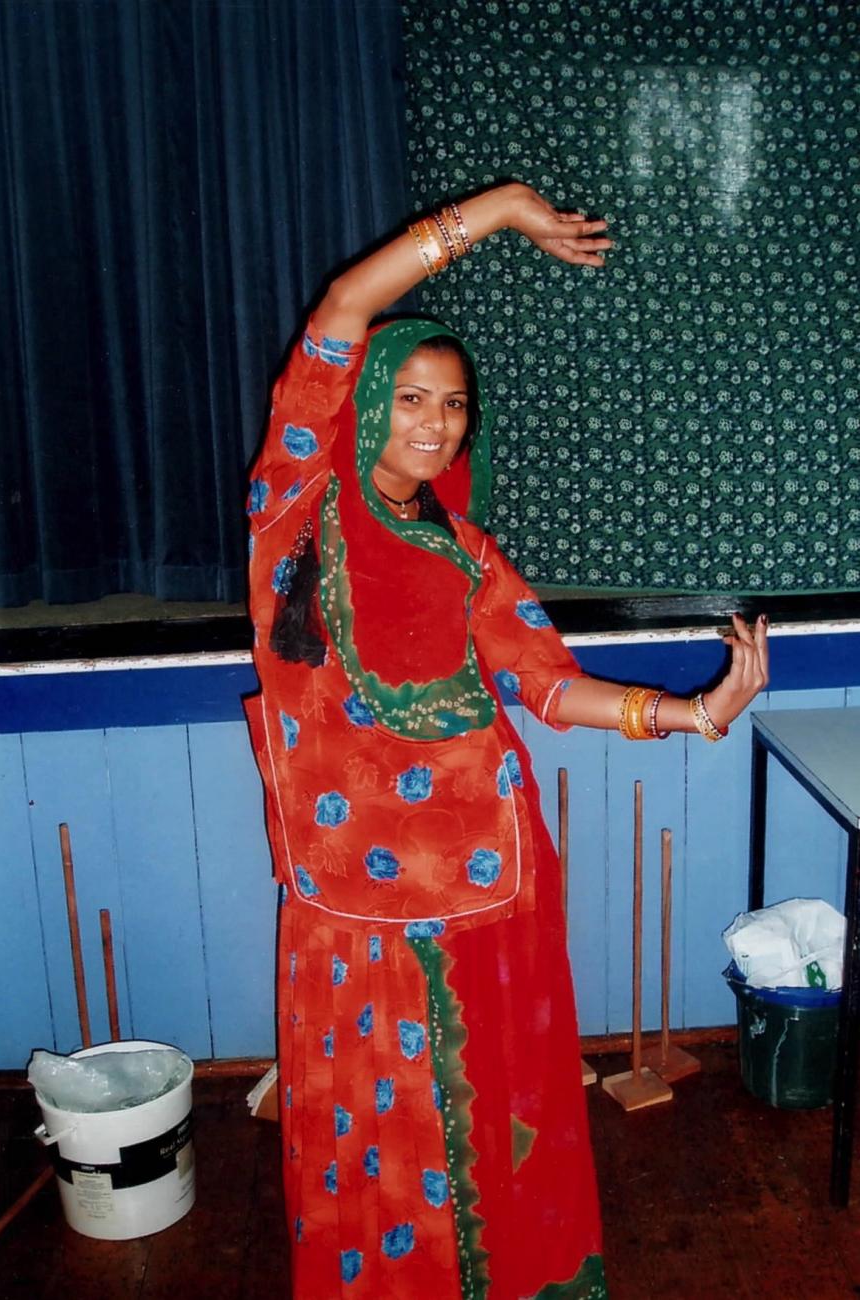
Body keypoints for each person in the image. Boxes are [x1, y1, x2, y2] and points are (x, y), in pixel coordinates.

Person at [244, 182, 769, 1300]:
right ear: (365, 400)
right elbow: (343, 304)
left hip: (489, 882)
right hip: (356, 909)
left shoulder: (465, 553)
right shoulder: (295, 510)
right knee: (377, 1144)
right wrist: (501, 212)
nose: (434, 421)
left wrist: (687, 712)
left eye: (455, 404)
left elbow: (546, 681)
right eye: (413, 397)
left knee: (484, 1121)